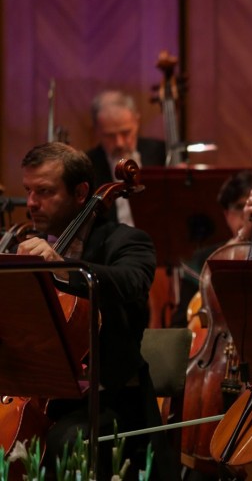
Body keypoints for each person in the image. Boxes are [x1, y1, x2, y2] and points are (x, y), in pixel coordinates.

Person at [15, 142, 175, 480]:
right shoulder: (29, 245)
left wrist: (63, 267)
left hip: (109, 399)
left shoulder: (127, 241)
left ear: (81, 192)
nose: (31, 203)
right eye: (28, 191)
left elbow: (131, 283)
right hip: (40, 396)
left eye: (44, 192)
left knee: (65, 441)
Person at [172, 169, 252, 328]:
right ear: (226, 214)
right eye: (240, 206)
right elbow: (181, 326)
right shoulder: (202, 261)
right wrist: (242, 236)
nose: (248, 216)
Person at [86, 89, 166, 225]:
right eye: (110, 135)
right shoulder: (87, 164)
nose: (120, 143)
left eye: (126, 132)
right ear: (96, 130)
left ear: (137, 121)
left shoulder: (161, 152)